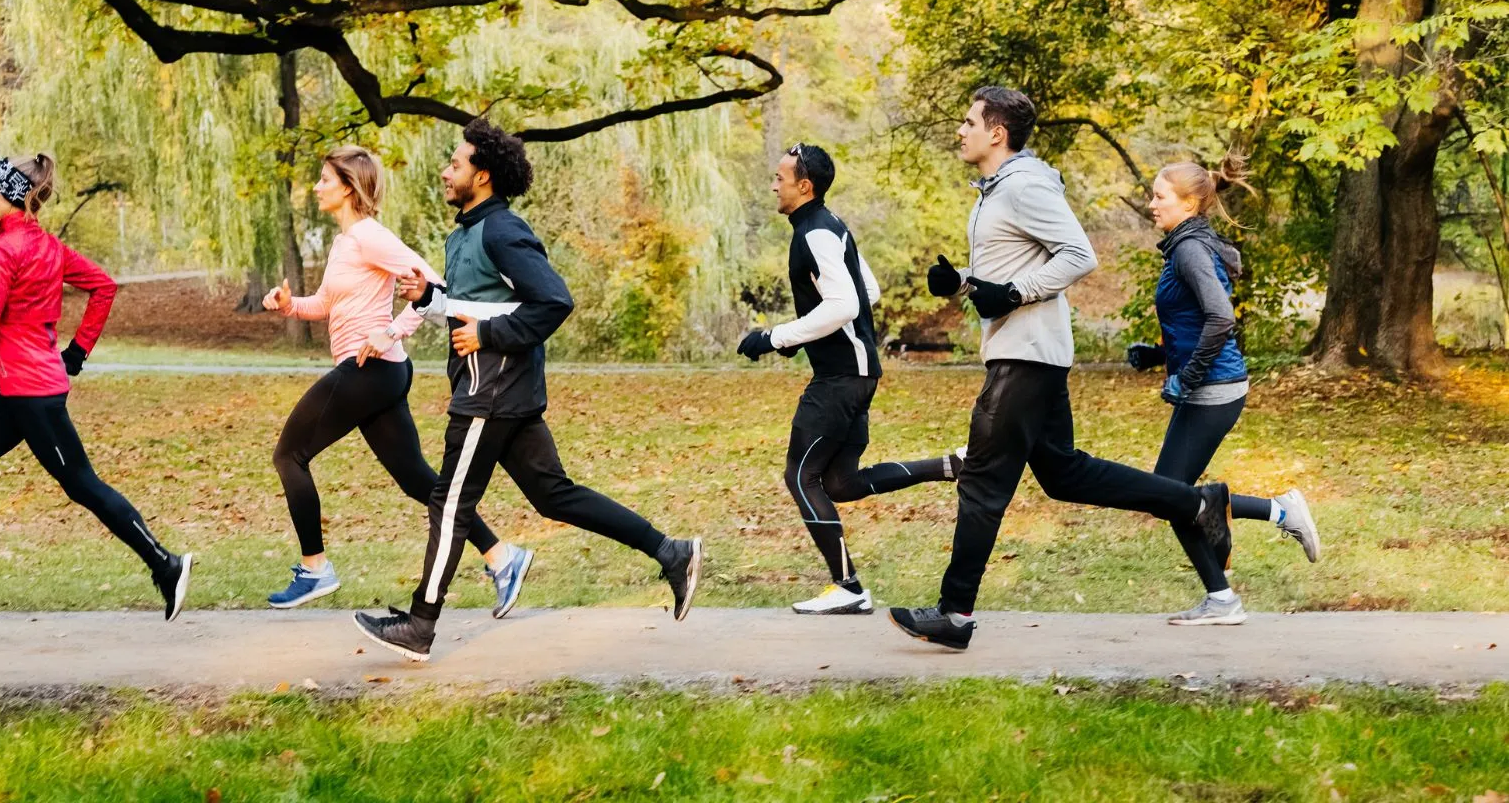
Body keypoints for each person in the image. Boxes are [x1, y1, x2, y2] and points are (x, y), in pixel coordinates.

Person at [888, 87, 1235, 651]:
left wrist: (1014, 292)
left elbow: (1078, 254)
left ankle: (954, 614)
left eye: (968, 121)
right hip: (1023, 349)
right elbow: (1009, 276)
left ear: (996, 132)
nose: (960, 130)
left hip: (1026, 354)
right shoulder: (997, 188)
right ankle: (1196, 503)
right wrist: (966, 285)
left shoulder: (1024, 184)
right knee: (1065, 474)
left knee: (981, 478)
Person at [352, 120, 703, 662]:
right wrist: (431, 299)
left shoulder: (503, 231)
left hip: (489, 395)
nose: (446, 172)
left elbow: (552, 302)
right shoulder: (464, 232)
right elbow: (479, 301)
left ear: (483, 176)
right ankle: (672, 552)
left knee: (450, 504)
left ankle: (420, 626)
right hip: (500, 392)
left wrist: (489, 334)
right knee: (553, 495)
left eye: (456, 164)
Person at [0, 154, 192, 620]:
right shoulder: (48, 246)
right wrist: (77, 352)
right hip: (25, 388)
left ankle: (166, 565)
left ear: (11, 196)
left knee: (82, 484)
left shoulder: (2, 250)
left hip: (33, 395)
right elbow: (104, 286)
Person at [261, 146, 532, 612]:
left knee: (289, 455)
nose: (317, 186)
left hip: (370, 371)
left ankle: (314, 569)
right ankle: (503, 557)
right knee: (417, 479)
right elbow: (325, 304)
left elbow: (435, 286)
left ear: (348, 186)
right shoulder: (346, 242)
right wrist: (287, 305)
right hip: (377, 374)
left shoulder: (370, 236)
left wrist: (389, 331)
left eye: (325, 179)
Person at [737, 142, 965, 616]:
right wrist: (808, 335)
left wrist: (777, 336)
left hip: (840, 378)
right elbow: (869, 290)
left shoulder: (814, 234)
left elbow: (845, 303)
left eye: (780, 178)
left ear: (804, 185)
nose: (773, 185)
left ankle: (848, 586)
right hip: (858, 374)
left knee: (801, 476)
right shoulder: (830, 224)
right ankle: (948, 466)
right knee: (839, 482)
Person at [1127, 156, 1321, 626]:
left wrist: (1186, 377)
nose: (1151, 203)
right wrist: (1158, 358)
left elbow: (1221, 319)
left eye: (1159, 196)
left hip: (1214, 388)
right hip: (1211, 385)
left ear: (1190, 203)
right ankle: (1272, 522)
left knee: (1169, 495)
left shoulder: (1191, 249)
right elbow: (1195, 321)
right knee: (1171, 494)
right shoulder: (1186, 245)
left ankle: (1232, 585)